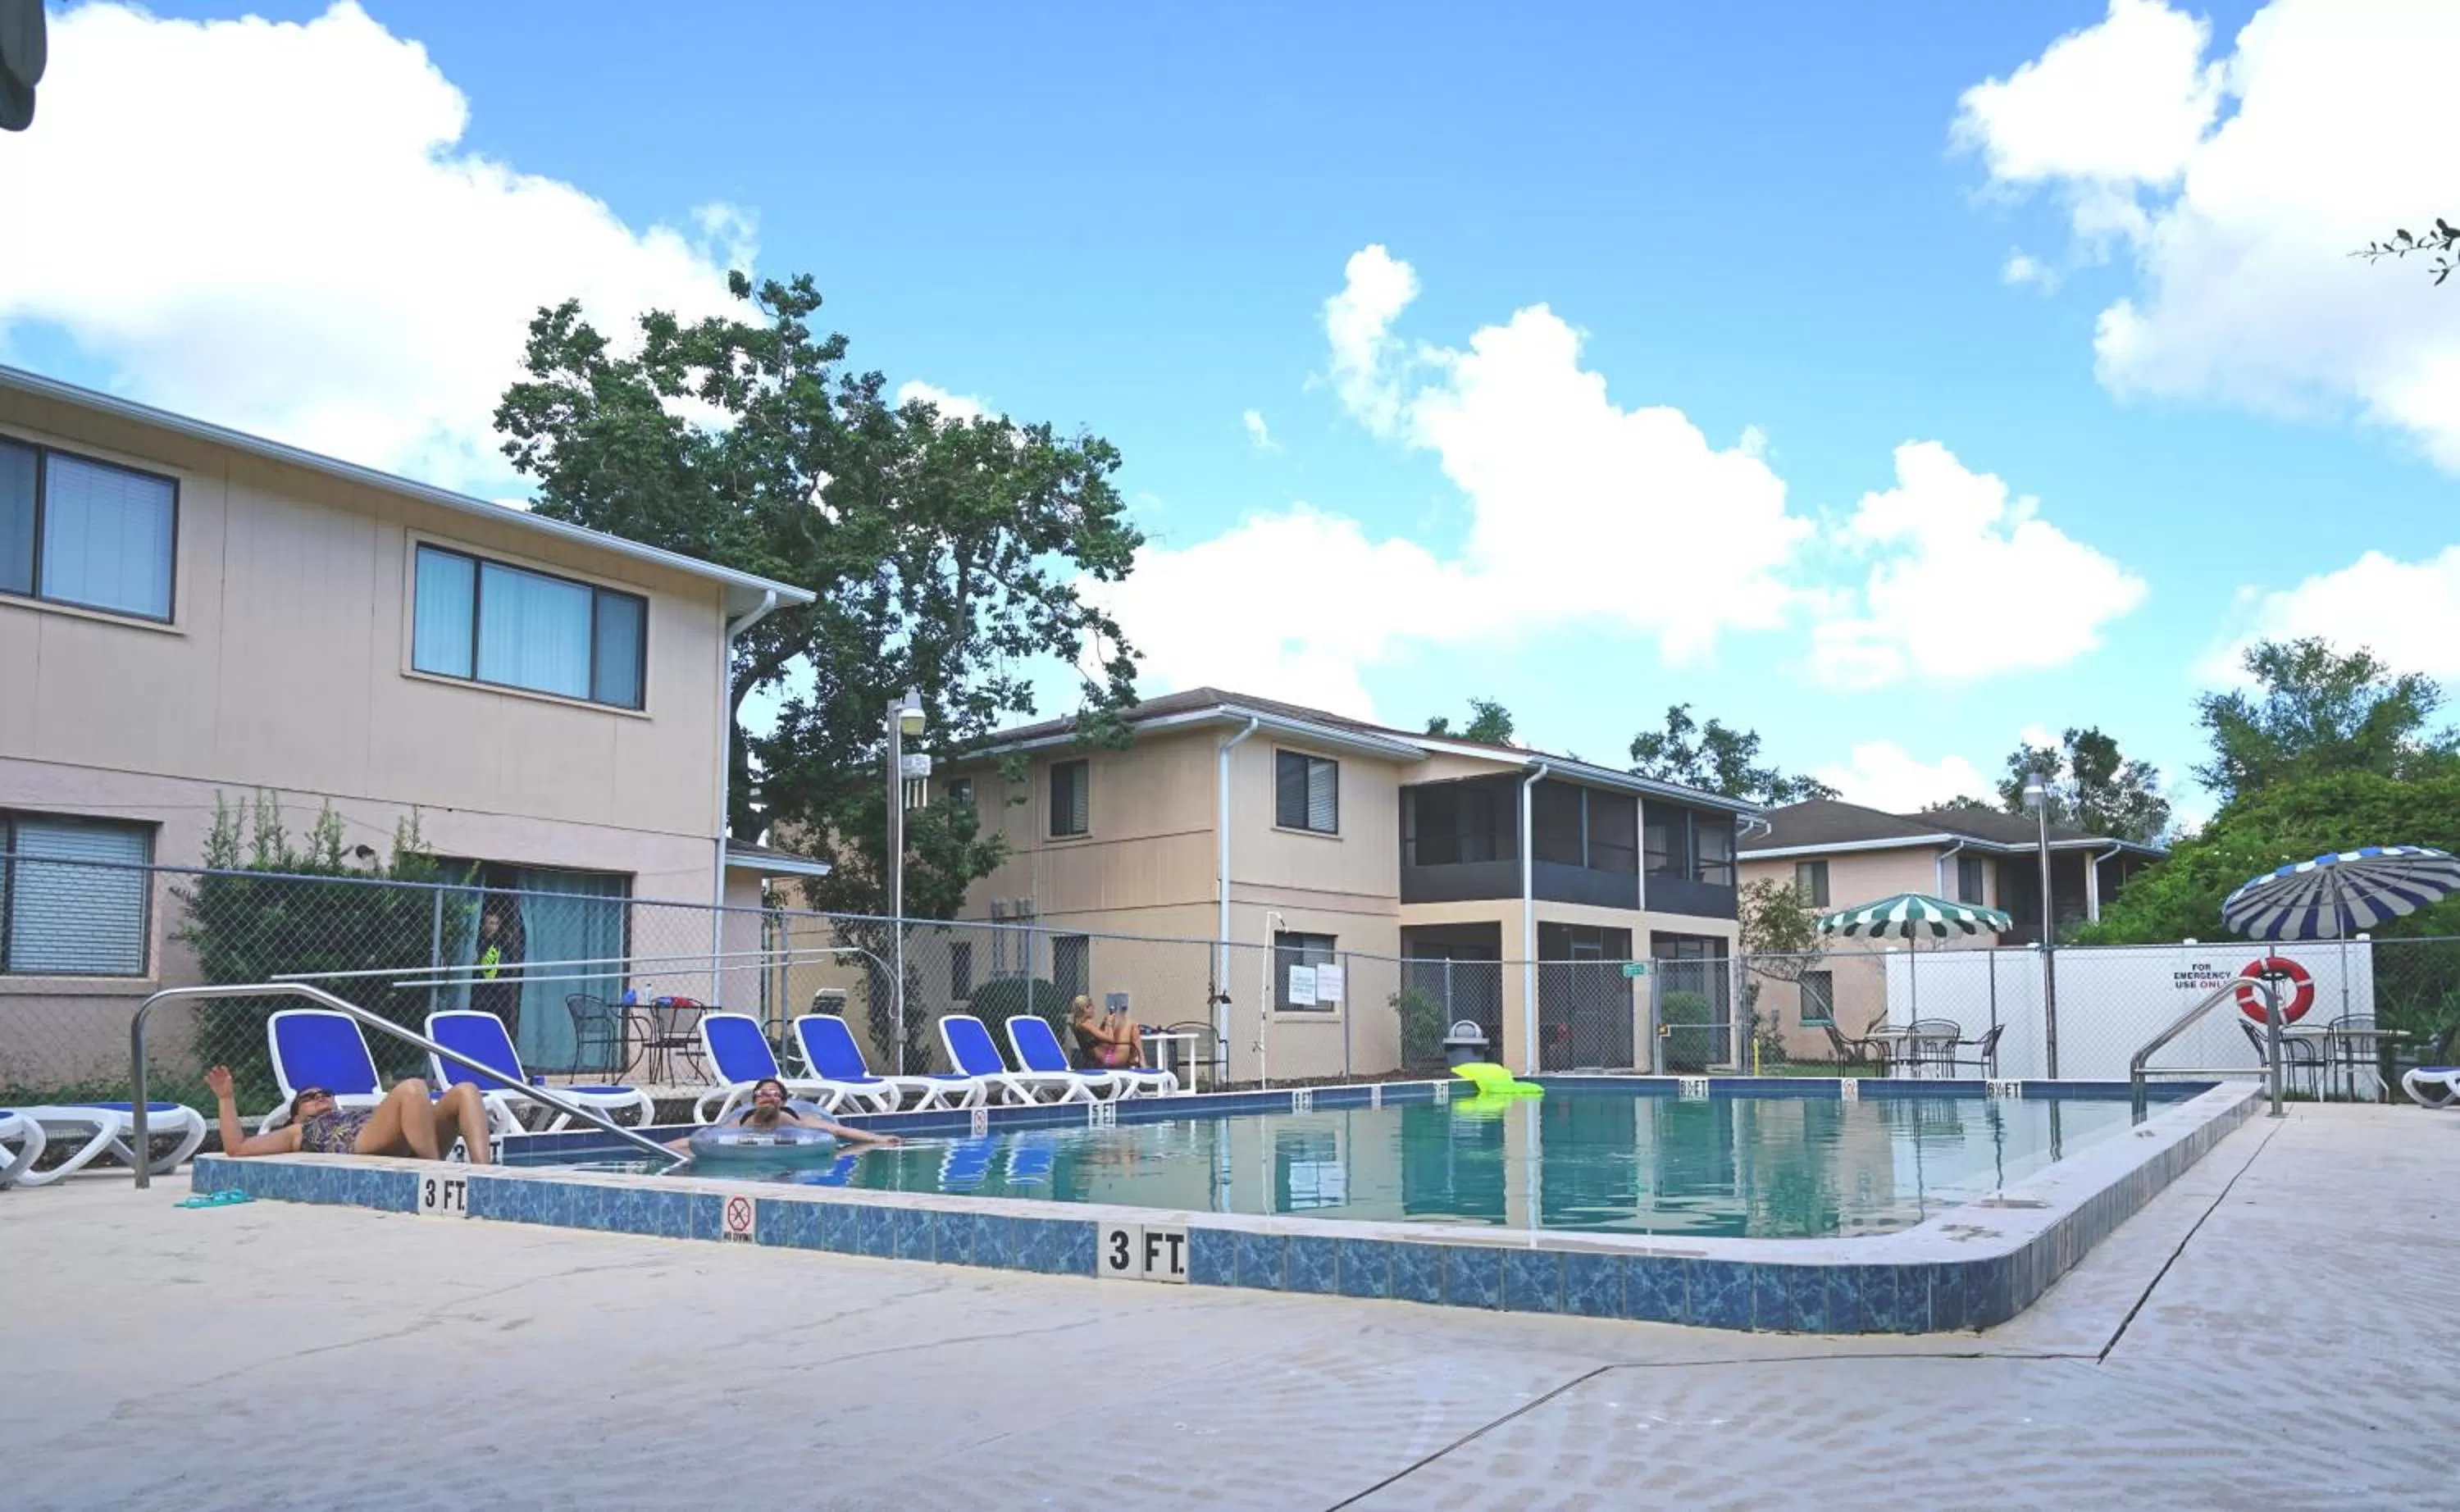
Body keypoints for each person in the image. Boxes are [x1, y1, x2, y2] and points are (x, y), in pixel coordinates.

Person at [205, 1065, 495, 1164]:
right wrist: (227, 1098)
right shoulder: (297, 1132)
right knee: (411, 1088)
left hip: (404, 1139)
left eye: (325, 1094)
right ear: (295, 1115)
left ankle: (483, 1173)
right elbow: (237, 1148)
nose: (320, 1098)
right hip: (363, 1143)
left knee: (466, 1090)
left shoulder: (351, 1113)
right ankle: (436, 1171)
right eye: (309, 1098)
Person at [667, 1077, 900, 1152]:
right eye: (763, 1093)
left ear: (784, 1102)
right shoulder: (741, 1121)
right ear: (754, 1100)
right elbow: (698, 1139)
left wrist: (879, 1139)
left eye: (775, 1094)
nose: (769, 1097)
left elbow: (839, 1131)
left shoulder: (795, 1120)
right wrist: (664, 1147)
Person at [1072, 995, 1147, 1070]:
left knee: (1124, 1024)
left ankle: (1134, 1059)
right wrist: (1109, 1024)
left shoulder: (1080, 1025)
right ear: (1086, 1008)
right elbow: (1110, 1039)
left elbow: (1099, 1039)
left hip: (1105, 1055)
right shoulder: (1086, 1025)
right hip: (1110, 1059)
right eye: (1092, 1007)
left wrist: (1104, 1024)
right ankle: (1140, 1060)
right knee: (1131, 1024)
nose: (1094, 1009)